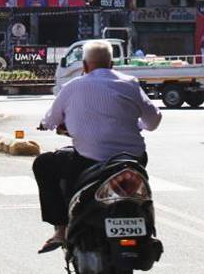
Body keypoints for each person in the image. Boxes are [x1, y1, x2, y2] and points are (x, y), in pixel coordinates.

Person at [33, 41, 162, 254]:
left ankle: (61, 229)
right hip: (133, 160)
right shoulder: (130, 83)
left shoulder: (73, 87)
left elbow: (50, 120)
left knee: (43, 163)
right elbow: (154, 121)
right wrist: (137, 124)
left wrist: (45, 125)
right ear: (111, 64)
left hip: (89, 161)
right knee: (140, 194)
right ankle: (150, 229)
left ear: (84, 66)